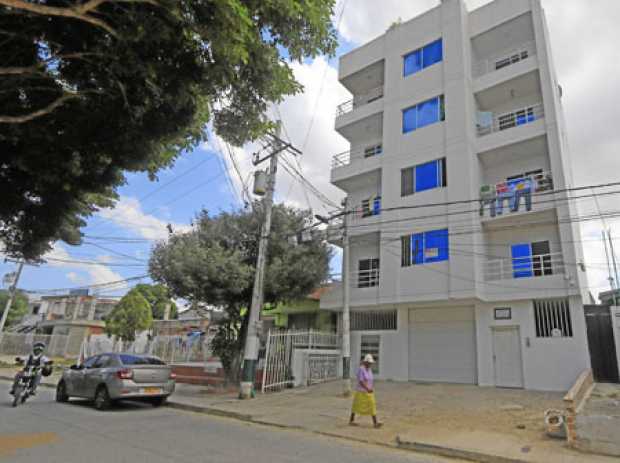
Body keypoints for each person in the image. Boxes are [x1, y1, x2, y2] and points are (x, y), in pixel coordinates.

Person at [349, 354, 383, 428]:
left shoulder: (369, 369)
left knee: (372, 405)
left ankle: (375, 423)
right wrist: (367, 388)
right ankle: (351, 420)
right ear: (366, 362)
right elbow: (361, 381)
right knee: (356, 406)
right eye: (369, 363)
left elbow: (369, 380)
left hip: (369, 391)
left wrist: (370, 388)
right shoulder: (361, 369)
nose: (371, 364)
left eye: (371, 363)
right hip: (361, 391)